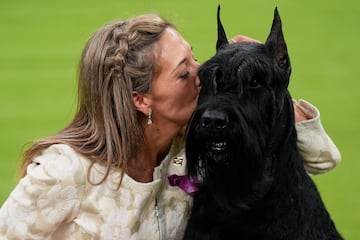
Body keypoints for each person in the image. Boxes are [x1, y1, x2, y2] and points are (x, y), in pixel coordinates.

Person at [0, 13, 341, 239]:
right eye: (183, 71)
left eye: (196, 58)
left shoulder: (192, 145)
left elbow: (321, 159)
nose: (201, 73)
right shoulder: (65, 171)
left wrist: (268, 76)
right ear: (142, 100)